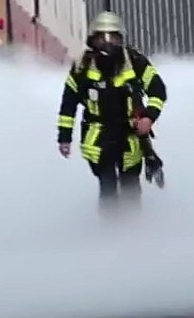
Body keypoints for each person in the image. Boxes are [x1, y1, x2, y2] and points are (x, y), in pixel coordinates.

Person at [57, 12, 168, 201]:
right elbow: (68, 105)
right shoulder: (82, 67)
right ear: (93, 39)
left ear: (121, 38)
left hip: (130, 135)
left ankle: (134, 226)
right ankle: (110, 226)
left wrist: (149, 117)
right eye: (102, 38)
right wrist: (64, 138)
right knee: (107, 186)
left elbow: (158, 90)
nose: (108, 44)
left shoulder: (134, 62)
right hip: (97, 136)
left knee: (131, 186)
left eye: (113, 38)